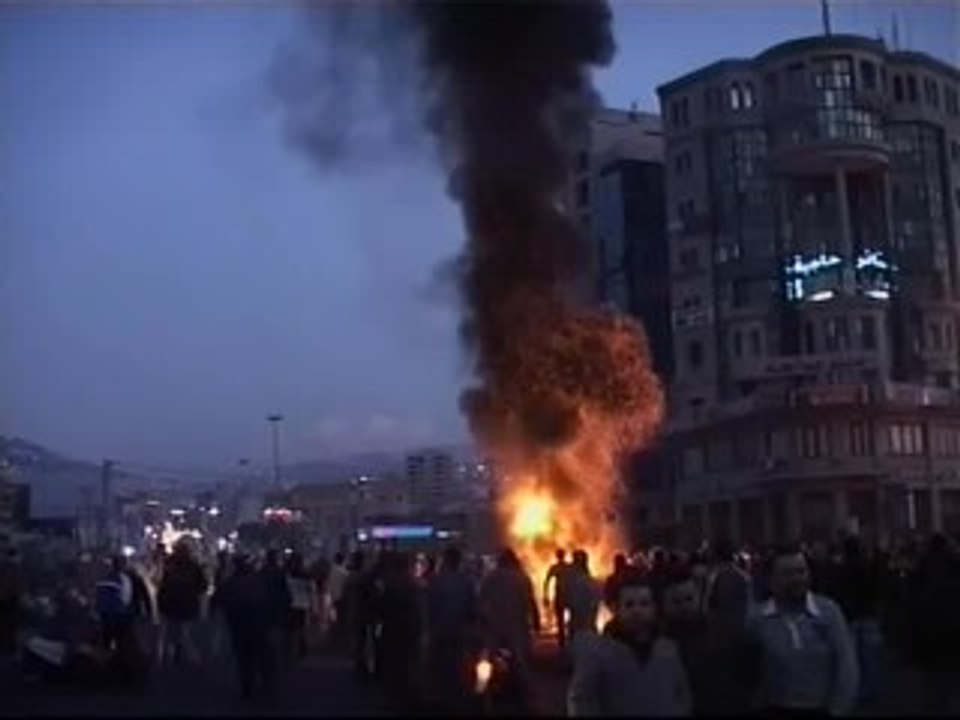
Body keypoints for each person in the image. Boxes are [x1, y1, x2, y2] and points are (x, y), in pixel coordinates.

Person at [747, 546, 858, 716]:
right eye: (787, 573)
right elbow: (750, 672)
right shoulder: (758, 618)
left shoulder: (828, 611)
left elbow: (846, 664)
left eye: (801, 571)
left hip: (822, 709)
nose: (797, 578)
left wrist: (839, 709)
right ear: (771, 580)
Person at [568, 573, 691, 716]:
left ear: (654, 607)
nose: (637, 611)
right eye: (629, 604)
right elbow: (582, 700)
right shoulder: (597, 654)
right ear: (615, 608)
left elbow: (681, 693)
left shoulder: (668, 650)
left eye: (644, 603)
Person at [661, 568, 754, 715]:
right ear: (664, 604)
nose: (684, 607)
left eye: (689, 599)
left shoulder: (723, 632)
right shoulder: (657, 643)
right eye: (676, 602)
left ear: (699, 597)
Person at [478, 549, 540, 709]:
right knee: (521, 662)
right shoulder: (522, 577)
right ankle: (528, 698)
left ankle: (481, 690)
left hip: (495, 625)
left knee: (487, 658)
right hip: (517, 625)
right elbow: (531, 602)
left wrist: (483, 618)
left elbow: (480, 599)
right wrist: (536, 623)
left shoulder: (492, 576)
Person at [908, 533, 960, 715]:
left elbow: (912, 600)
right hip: (953, 629)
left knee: (932, 683)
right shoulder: (954, 565)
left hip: (929, 631)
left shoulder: (923, 567)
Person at [214, 555, 275, 700]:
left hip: (239, 625)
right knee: (261, 655)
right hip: (258, 625)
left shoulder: (231, 583)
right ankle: (266, 685)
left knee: (244, 657)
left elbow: (219, 599)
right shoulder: (259, 582)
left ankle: (247, 686)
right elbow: (270, 601)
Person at [426, 545, 478, 713]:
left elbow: (429, 606)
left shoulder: (436, 580)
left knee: (438, 665)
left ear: (446, 560)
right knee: (457, 665)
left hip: (439, 629)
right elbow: (472, 608)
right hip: (458, 630)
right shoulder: (466, 581)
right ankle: (457, 699)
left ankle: (439, 699)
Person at [157, 542, 208, 667]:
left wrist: (161, 603)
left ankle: (175, 652)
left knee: (174, 630)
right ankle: (189, 656)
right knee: (185, 630)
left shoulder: (169, 566)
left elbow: (163, 586)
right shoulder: (193, 566)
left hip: (172, 605)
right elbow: (203, 586)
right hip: (187, 604)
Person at [565, 550, 601, 641]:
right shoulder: (587, 579)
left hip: (582, 618)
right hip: (583, 618)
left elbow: (571, 600)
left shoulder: (578, 579)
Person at [543, 549, 573, 649]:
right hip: (566, 595)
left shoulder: (556, 568)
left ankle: (563, 641)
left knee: (561, 619)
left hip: (563, 595)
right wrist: (545, 595)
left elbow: (547, 582)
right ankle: (566, 640)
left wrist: (545, 595)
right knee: (567, 617)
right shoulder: (568, 567)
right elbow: (547, 581)